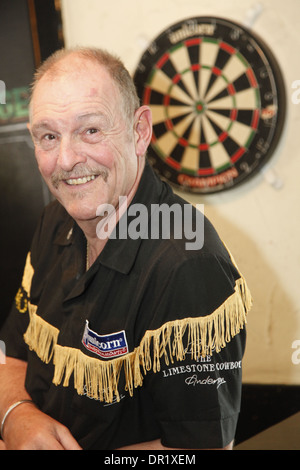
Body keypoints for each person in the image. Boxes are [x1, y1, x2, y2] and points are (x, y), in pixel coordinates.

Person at [0, 47, 252, 450]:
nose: (65, 160)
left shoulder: (187, 265)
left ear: (139, 131)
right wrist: (16, 414)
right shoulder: (54, 222)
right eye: (48, 136)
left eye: (91, 130)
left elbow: (196, 450)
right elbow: (10, 355)